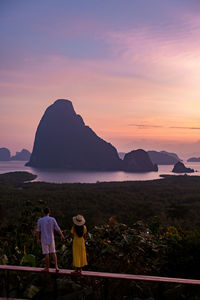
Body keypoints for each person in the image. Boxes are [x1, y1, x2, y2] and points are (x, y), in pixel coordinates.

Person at [36, 207, 64, 272]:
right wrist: (62, 235)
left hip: (44, 239)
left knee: (46, 254)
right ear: (49, 212)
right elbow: (57, 228)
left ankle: (47, 268)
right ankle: (56, 267)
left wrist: (38, 239)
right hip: (51, 239)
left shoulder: (40, 220)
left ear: (43, 212)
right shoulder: (52, 219)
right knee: (53, 252)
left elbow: (38, 230)